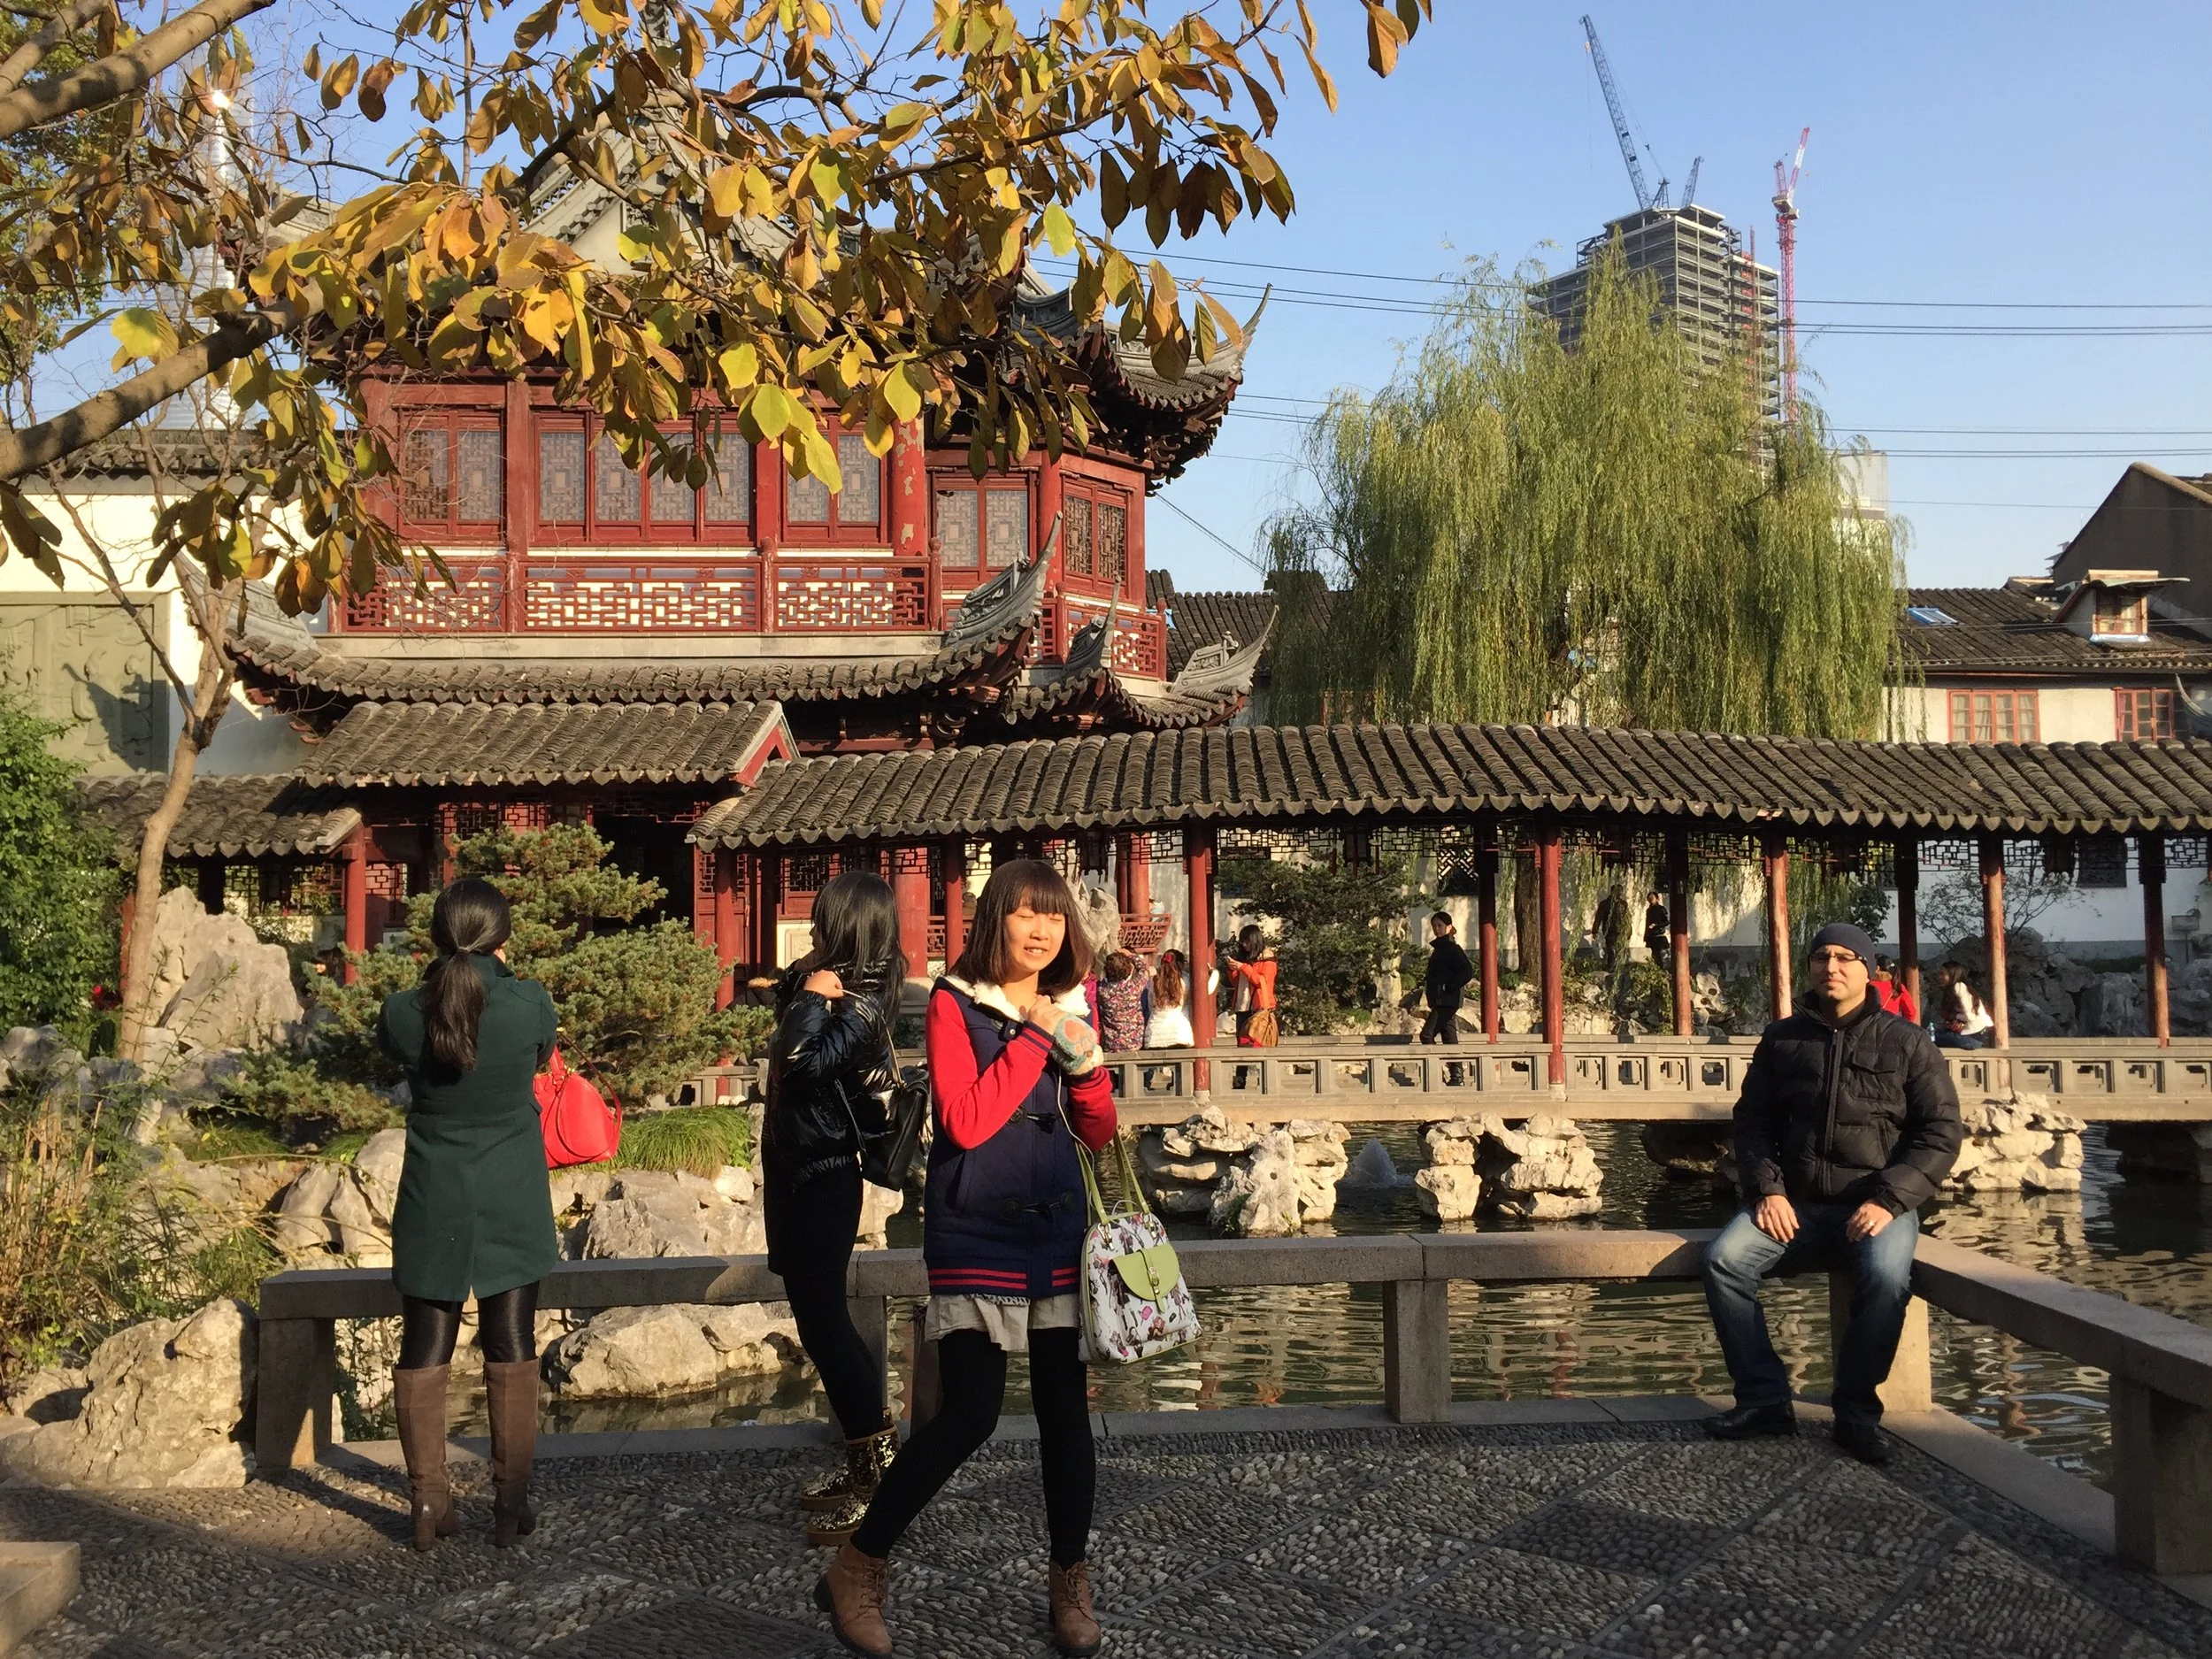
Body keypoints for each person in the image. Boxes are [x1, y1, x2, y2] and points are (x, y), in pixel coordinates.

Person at [819, 860, 1118, 1659]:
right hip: (976, 1232)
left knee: (1065, 1413)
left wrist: (1086, 1069)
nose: (1041, 927)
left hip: (1056, 1229)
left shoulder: (1068, 1008)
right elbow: (966, 1119)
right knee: (970, 1412)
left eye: (1053, 915)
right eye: (1024, 912)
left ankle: (1069, 1578)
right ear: (996, 920)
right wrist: (1035, 1037)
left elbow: (1098, 1132)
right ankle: (859, 1564)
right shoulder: (955, 1002)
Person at [1701, 922, 1962, 1466]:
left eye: (1846, 958)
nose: (1832, 967)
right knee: (1725, 1261)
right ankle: (1765, 1398)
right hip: (1792, 1203)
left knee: (1888, 1278)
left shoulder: (1907, 1042)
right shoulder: (1783, 1039)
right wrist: (1767, 1191)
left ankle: (1856, 1413)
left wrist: (1890, 1199)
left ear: (1868, 970)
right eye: (1822, 957)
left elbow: (1940, 1133)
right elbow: (1753, 1122)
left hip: (1876, 1204)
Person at [377, 878, 557, 1550]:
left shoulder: (403, 1011)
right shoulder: (529, 1002)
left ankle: (428, 1501)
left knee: (425, 1343)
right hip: (512, 1187)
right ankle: (510, 1505)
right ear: (501, 939)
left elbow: (399, 1043)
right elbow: (539, 1056)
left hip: (435, 1190)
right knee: (512, 1341)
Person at [762, 870, 904, 1548]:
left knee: (826, 1325)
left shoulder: (866, 1002)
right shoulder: (829, 985)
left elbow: (799, 1059)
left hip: (825, 1176)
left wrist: (812, 1000)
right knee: (815, 1320)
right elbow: (784, 997)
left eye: (823, 920)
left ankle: (877, 1474)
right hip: (797, 1171)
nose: (812, 930)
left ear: (847, 926)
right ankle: (862, 1462)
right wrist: (807, 986)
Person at [1420, 912, 1474, 1045]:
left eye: (1440, 925)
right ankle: (1456, 1065)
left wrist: (1448, 987)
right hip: (1441, 1000)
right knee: (1449, 1036)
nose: (1437, 929)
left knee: (1427, 1035)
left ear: (1449, 927)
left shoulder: (1452, 949)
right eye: (1434, 926)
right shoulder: (1440, 949)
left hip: (1446, 1001)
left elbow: (1467, 971)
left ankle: (1433, 1065)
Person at [1225, 924, 1280, 1048]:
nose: (1244, 945)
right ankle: (1242, 1068)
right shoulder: (1244, 959)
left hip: (1259, 1009)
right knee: (1242, 1045)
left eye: (1247, 942)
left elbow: (1262, 982)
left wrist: (1243, 968)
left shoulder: (1268, 960)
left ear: (1255, 941)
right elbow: (1237, 984)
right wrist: (1232, 970)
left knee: (1258, 1045)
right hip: (1243, 1007)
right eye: (1242, 942)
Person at [1095, 949, 1148, 1054]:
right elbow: (1144, 970)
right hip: (1134, 1043)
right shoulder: (1133, 987)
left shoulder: (1102, 990)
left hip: (1111, 1044)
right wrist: (1131, 955)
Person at [1142, 948, 1197, 1048]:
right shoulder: (1185, 980)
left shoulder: (1154, 981)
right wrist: (1214, 973)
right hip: (1179, 1033)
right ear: (1181, 964)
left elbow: (1150, 1004)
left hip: (1154, 1036)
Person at [1932, 960, 1993, 1048]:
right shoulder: (1958, 989)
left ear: (1952, 974)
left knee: (1927, 1036)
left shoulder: (1959, 986)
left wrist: (1956, 1017)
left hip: (1970, 1037)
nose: (1939, 977)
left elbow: (1970, 1016)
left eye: (1942, 974)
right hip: (1974, 1037)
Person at [1871, 954, 1920, 1025]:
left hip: (1870, 1027)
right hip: (1891, 1027)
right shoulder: (1897, 986)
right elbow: (1911, 1012)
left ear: (1877, 968)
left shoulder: (1867, 985)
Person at [1642, 891, 1671, 961]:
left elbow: (1667, 922)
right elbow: (1647, 923)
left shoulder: (1661, 909)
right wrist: (1646, 935)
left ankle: (1663, 968)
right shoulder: (1648, 910)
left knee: (1662, 955)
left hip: (1659, 935)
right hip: (1651, 935)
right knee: (1654, 954)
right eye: (1649, 898)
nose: (1651, 899)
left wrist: (1657, 925)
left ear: (1656, 898)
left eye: (1652, 897)